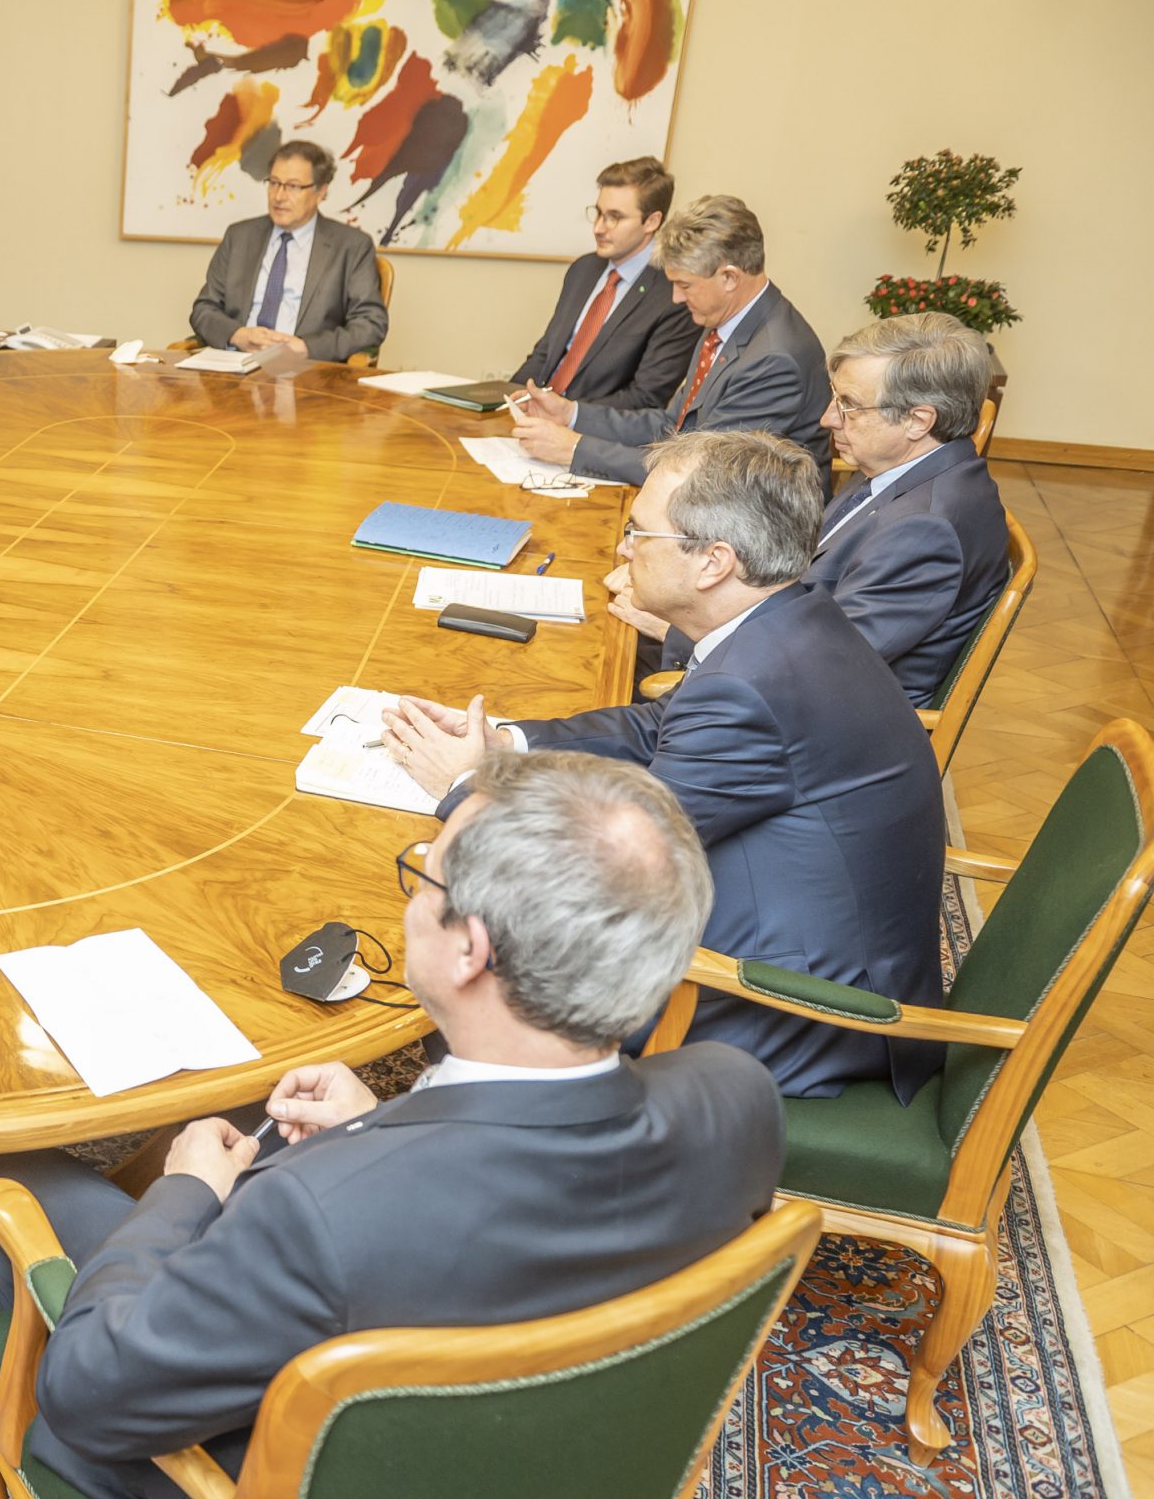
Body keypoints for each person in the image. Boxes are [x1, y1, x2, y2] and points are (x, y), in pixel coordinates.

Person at [0, 750, 783, 1499]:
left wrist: (184, 1190)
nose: (410, 898)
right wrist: (384, 1123)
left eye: (423, 877)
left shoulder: (315, 1216)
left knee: (22, 1177)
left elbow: (87, 1392)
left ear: (470, 948)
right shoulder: (737, 1099)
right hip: (557, 1489)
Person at [385, 430, 945, 1102]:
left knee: (481, 965)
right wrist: (509, 744)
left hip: (800, 1009)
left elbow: (608, 871)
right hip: (810, 928)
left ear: (713, 562)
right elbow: (659, 724)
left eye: (639, 532)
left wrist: (463, 787)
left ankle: (487, 1129)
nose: (624, 549)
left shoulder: (752, 683)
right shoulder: (787, 622)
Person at [630, 314, 1010, 708]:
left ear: (917, 421)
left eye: (849, 406)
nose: (828, 419)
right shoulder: (899, 469)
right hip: (769, 655)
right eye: (835, 397)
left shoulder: (927, 530)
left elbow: (820, 659)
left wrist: (678, 628)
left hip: (798, 711)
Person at [508, 196, 831, 486]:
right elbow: (672, 425)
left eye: (685, 285)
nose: (676, 298)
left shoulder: (774, 359)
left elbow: (701, 471)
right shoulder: (723, 320)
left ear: (730, 277)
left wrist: (575, 449)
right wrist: (572, 415)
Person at [508, 156, 699, 412]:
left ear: (651, 222)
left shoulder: (673, 293)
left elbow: (645, 397)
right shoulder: (583, 269)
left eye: (614, 217)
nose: (598, 228)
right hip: (534, 415)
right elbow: (546, 352)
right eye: (598, 213)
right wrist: (508, 398)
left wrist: (565, 413)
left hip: (588, 427)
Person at [186, 138, 387, 361]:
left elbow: (370, 323)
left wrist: (307, 348)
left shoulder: (351, 246)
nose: (279, 196)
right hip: (236, 364)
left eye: (293, 186)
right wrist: (237, 335)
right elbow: (204, 308)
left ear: (321, 191)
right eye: (274, 183)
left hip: (306, 370)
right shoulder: (240, 237)